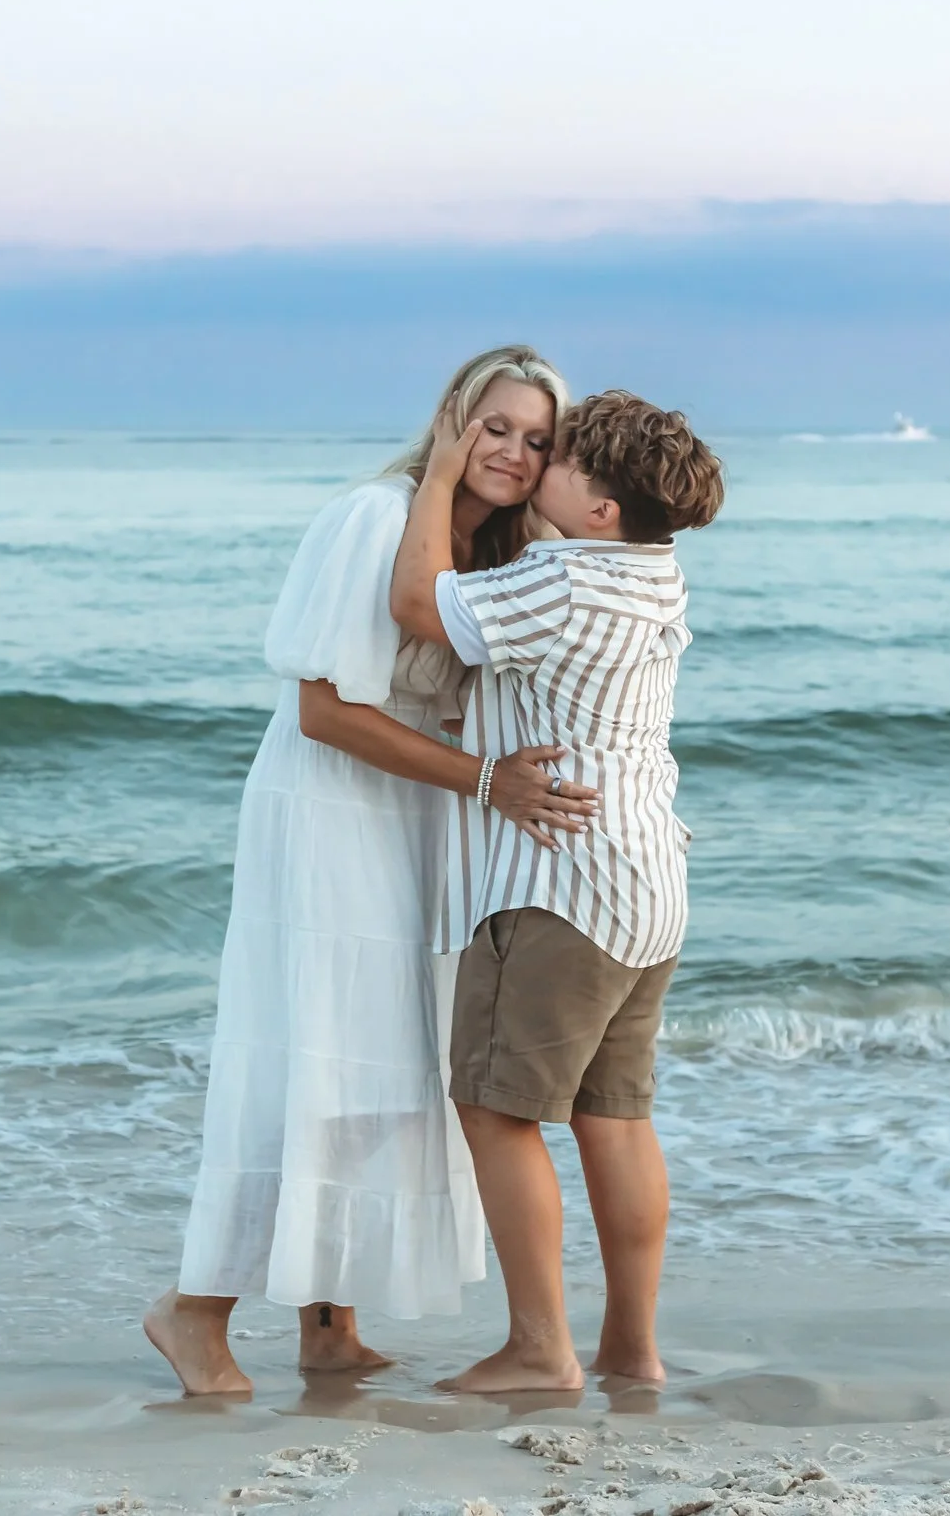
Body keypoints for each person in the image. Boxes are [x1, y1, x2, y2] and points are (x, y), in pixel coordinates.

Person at [144, 347, 604, 1398]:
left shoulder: (495, 552)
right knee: (321, 1054)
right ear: (452, 417)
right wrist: (488, 781)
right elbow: (324, 709)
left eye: (538, 440)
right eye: (496, 426)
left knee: (375, 1064)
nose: (516, 453)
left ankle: (327, 1325)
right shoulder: (372, 516)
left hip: (411, 814)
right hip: (329, 812)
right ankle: (192, 1309)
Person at [389, 390, 726, 1394]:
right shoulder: (655, 573)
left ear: (600, 513)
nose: (538, 465)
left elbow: (420, 608)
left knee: (495, 1110)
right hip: (649, 878)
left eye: (562, 459)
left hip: (562, 882)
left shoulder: (565, 580)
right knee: (613, 1117)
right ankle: (630, 1350)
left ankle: (541, 1349)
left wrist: (444, 471)